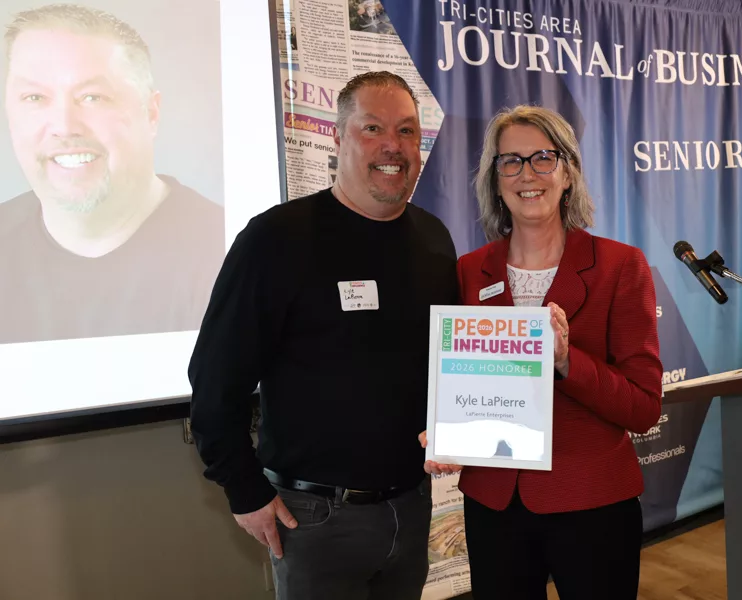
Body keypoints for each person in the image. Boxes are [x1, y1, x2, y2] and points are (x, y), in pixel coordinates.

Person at [187, 71, 458, 599]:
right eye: (372, 127)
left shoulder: (434, 238)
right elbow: (216, 378)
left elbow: (446, 362)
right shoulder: (276, 239)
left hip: (413, 503)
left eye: (406, 131)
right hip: (313, 518)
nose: (392, 146)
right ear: (337, 137)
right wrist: (244, 491)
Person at [423, 105, 663, 599]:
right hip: (493, 503)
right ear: (494, 178)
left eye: (542, 159)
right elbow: (468, 380)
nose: (526, 174)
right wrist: (445, 428)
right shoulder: (470, 270)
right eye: (510, 161)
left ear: (568, 172)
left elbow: (643, 408)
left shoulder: (620, 265)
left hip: (591, 501)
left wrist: (566, 362)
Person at [0, 3, 224, 344]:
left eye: (92, 97)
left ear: (150, 113)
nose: (63, 126)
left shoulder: (226, 254)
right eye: (34, 97)